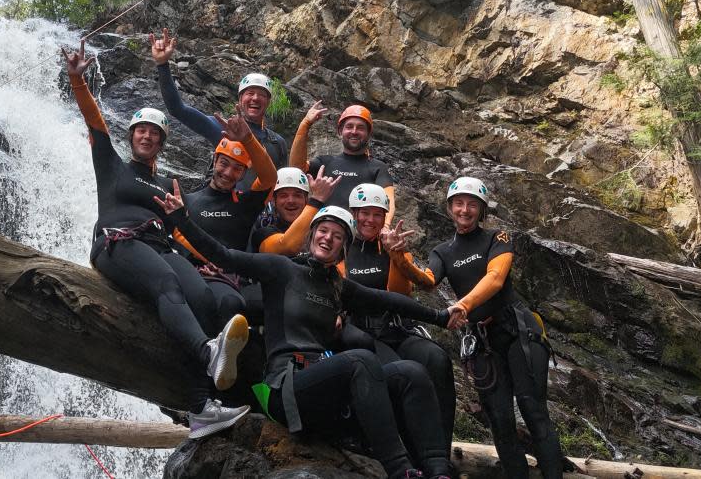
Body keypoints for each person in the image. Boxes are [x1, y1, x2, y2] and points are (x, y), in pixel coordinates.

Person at [155, 184, 457, 479]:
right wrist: (182, 219)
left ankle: (438, 470)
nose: (328, 238)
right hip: (285, 387)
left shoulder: (339, 287)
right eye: (323, 231)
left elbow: (390, 301)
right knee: (361, 360)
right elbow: (225, 255)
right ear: (311, 235)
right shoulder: (281, 270)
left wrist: (440, 316)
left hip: (325, 385)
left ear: (343, 249)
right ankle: (400, 470)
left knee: (411, 373)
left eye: (337, 236)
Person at [62, 40, 249, 438]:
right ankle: (206, 352)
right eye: (140, 131)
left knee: (204, 298)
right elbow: (95, 121)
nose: (146, 136)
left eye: (153, 132)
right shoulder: (112, 166)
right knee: (167, 283)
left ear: (161, 143)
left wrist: (204, 259)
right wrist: (78, 81)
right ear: (132, 137)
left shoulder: (168, 182)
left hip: (161, 246)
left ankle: (200, 409)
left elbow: (179, 229)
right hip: (118, 243)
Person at [391, 177, 565, 479]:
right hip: (484, 342)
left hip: (518, 331)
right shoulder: (443, 251)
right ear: (449, 208)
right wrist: (399, 257)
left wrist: (464, 305)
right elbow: (427, 281)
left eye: (472, 204)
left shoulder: (499, 238)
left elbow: (496, 278)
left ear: (482, 209)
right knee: (499, 420)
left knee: (533, 411)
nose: (465, 209)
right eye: (459, 203)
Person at [339, 183, 456, 452]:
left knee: (437, 360)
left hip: (397, 327)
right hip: (361, 332)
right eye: (364, 213)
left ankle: (440, 451)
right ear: (354, 213)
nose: (370, 219)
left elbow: (403, 295)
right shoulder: (342, 246)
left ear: (384, 218)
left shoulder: (395, 247)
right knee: (402, 372)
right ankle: (405, 450)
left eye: (377, 214)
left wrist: (397, 256)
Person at [171, 114, 277, 327]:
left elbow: (269, 178)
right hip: (190, 274)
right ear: (214, 160)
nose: (228, 173)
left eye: (237, 168)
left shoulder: (247, 204)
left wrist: (248, 139)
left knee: (232, 304)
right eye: (224, 163)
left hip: (225, 280)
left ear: (243, 173)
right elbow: (177, 238)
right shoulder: (187, 201)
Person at [150, 29, 289, 191]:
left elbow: (282, 184)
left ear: (268, 102)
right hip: (220, 206)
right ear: (240, 99)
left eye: (262, 95)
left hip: (256, 212)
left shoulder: (277, 143)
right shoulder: (223, 128)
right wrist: (162, 65)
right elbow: (177, 109)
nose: (255, 98)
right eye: (250, 93)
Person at [290, 101, 394, 208]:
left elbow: (387, 200)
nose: (354, 131)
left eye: (360, 128)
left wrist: (386, 224)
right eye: (349, 126)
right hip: (324, 223)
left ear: (368, 134)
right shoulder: (325, 163)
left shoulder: (378, 168)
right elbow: (296, 170)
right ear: (340, 131)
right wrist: (305, 124)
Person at [253, 167, 338, 255]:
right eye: (283, 195)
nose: (291, 201)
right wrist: (317, 199)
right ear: (274, 201)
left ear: (306, 200)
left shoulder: (320, 235)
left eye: (297, 195)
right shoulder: (262, 234)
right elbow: (288, 247)